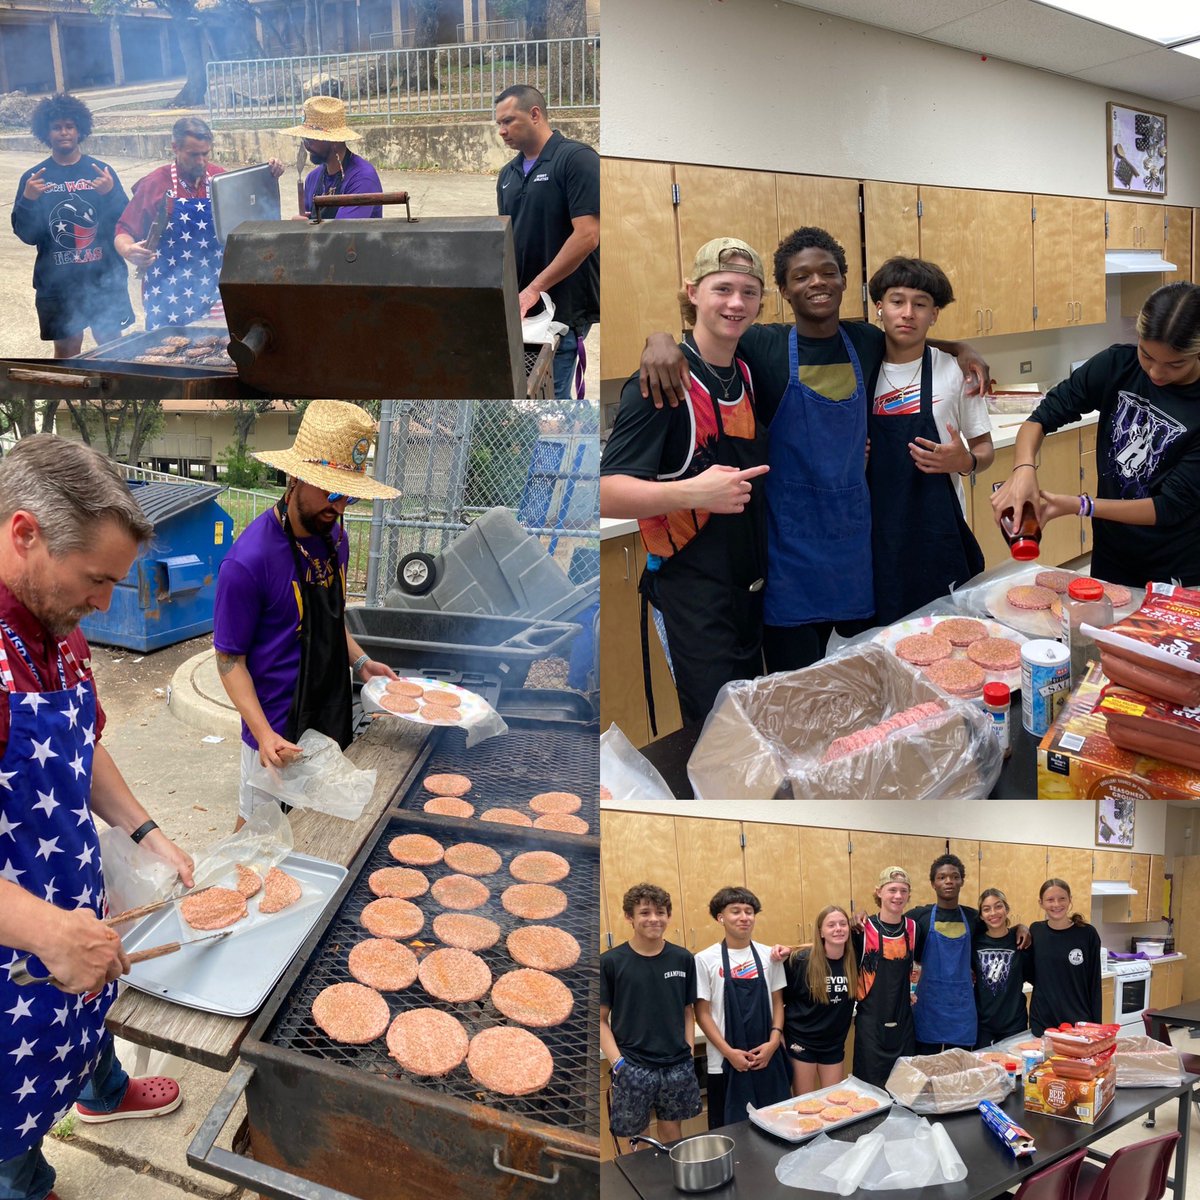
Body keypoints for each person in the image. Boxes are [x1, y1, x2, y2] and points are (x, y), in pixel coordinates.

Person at [639, 227, 990, 671]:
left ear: (846, 282)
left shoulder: (863, 340)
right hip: (788, 541)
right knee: (795, 674)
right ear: (783, 291)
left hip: (852, 541)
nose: (817, 282)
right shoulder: (761, 344)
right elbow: (710, 334)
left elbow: (909, 337)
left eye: (828, 272)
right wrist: (660, 339)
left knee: (864, 665)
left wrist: (961, 348)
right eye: (801, 276)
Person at [0, 435, 197, 1200]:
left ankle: (100, 1089)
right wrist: (50, 932)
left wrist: (149, 833)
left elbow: (83, 749)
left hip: (67, 904)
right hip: (15, 947)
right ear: (25, 534)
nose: (105, 603)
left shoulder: (58, 629)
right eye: (96, 580)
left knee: (86, 1008)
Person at [600, 237, 770, 726]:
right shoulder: (660, 383)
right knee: (715, 730)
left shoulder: (745, 369)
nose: (736, 303)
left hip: (746, 586)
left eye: (749, 292)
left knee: (749, 727)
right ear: (693, 292)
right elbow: (605, 491)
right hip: (690, 593)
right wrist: (693, 492)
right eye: (723, 289)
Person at [212, 401, 400, 830]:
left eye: (348, 495)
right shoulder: (248, 561)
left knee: (319, 830)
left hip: (327, 710)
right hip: (273, 726)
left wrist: (360, 663)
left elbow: (328, 621)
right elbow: (228, 661)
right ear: (296, 478)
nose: (340, 506)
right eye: (331, 492)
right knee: (258, 836)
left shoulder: (335, 538)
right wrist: (261, 733)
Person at [990, 281, 1200, 588]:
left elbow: (1168, 507)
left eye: (1174, 364)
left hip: (1176, 565)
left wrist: (1080, 505)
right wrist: (1023, 470)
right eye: (1147, 355)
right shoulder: (1117, 365)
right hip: (1112, 553)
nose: (1155, 373)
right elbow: (1040, 418)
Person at [867, 257, 993, 624]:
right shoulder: (859, 364)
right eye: (896, 301)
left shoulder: (956, 371)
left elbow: (984, 450)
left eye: (920, 304)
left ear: (934, 314)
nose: (907, 313)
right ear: (879, 307)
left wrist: (965, 462)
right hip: (875, 533)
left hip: (938, 532)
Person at [113, 116, 283, 330]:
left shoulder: (220, 179)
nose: (201, 161)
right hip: (169, 295)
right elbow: (123, 230)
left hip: (214, 290)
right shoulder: (156, 183)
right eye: (193, 155)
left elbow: (253, 216)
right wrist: (128, 249)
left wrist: (270, 175)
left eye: (205, 154)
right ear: (175, 148)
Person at [495, 84, 599, 400]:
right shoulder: (507, 175)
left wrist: (535, 288)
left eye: (508, 121)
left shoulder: (576, 159)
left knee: (551, 405)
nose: (502, 131)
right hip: (523, 310)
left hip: (562, 312)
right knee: (522, 401)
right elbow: (508, 242)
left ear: (535, 114)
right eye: (498, 124)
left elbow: (587, 236)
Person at [11, 93, 134, 358]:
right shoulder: (33, 178)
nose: (64, 132)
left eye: (70, 126)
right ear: (46, 132)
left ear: (80, 130)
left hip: (102, 276)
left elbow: (125, 223)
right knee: (67, 350)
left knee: (112, 345)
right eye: (57, 127)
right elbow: (27, 235)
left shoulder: (101, 171)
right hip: (57, 282)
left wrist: (110, 193)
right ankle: (68, 396)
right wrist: (29, 200)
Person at [600, 883, 701, 1148]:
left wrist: (688, 1051)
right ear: (629, 917)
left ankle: (675, 1184)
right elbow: (599, 1020)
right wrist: (618, 1064)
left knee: (672, 1133)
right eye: (644, 912)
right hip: (633, 1065)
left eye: (660, 912)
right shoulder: (610, 962)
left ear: (668, 916)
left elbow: (687, 1011)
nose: (654, 919)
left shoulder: (682, 959)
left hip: (676, 1064)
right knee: (639, 1137)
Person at [906, 853, 1030, 1055]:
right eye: (942, 877)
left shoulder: (973, 918)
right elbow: (890, 928)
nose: (949, 881)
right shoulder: (919, 917)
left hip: (962, 1011)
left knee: (961, 1075)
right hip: (929, 1009)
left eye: (954, 876)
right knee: (928, 1072)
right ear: (933, 883)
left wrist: (1020, 927)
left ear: (962, 881)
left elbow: (997, 928)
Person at [694, 886, 790, 1127]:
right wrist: (729, 1052)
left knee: (776, 1125)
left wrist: (773, 1042)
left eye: (749, 911)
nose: (744, 917)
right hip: (725, 1063)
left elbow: (778, 1003)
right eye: (735, 911)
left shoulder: (770, 955)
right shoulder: (705, 959)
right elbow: (702, 1014)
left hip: (768, 1058)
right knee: (731, 1132)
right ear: (721, 917)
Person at [780, 906, 857, 1095]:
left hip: (833, 1043)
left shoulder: (853, 961)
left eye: (842, 924)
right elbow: (778, 1001)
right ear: (820, 931)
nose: (838, 928)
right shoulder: (800, 961)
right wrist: (778, 1035)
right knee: (804, 1103)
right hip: (801, 1040)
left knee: (834, 1101)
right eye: (831, 925)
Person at [851, 866, 917, 1087]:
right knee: (869, 1091)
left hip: (903, 1023)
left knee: (903, 1089)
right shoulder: (861, 929)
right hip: (871, 1025)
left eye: (903, 891)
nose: (898, 896)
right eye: (892, 890)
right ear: (879, 892)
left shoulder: (914, 928)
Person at [282, 96, 383, 220]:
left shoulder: (363, 178)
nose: (306, 146)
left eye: (310, 139)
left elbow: (342, 234)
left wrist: (307, 228)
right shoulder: (313, 178)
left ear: (334, 141)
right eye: (304, 139)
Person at [1027, 878, 1102, 1037]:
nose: (1056, 904)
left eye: (1062, 898)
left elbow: (1094, 984)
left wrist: (1095, 1027)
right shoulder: (1036, 931)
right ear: (1041, 903)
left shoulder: (1087, 934)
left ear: (1070, 900)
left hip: (1078, 1024)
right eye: (1050, 900)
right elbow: (1030, 973)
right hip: (1043, 1024)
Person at [973, 887, 1031, 1047]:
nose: (993, 913)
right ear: (981, 916)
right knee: (985, 1070)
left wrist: (1022, 927)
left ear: (1007, 909)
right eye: (986, 909)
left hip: (1015, 1024)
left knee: (1016, 1069)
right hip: (983, 1025)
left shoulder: (1021, 940)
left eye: (998, 906)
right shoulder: (974, 943)